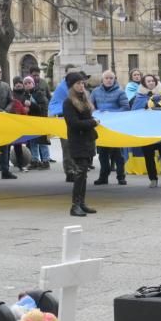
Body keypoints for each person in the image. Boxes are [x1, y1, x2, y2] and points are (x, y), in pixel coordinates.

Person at [62, 72, 99, 217]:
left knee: (83, 174)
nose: (81, 85)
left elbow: (86, 118)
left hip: (87, 140)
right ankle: (75, 205)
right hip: (78, 141)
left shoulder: (83, 99)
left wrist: (92, 121)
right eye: (78, 83)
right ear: (72, 86)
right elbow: (73, 123)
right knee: (79, 173)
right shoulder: (68, 102)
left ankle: (82, 203)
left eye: (82, 83)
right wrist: (93, 122)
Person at [131, 74, 161, 188]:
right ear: (144, 83)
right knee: (148, 156)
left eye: (153, 81)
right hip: (147, 131)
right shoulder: (139, 96)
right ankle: (153, 179)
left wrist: (155, 107)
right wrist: (147, 105)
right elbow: (135, 112)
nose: (151, 83)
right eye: (148, 81)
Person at [91, 70, 129, 185]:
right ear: (102, 80)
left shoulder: (120, 92)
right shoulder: (95, 91)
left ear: (114, 79)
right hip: (101, 127)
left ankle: (121, 176)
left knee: (118, 154)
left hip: (115, 126)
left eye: (111, 78)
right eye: (106, 78)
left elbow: (126, 107)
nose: (108, 80)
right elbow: (90, 106)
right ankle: (103, 177)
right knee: (102, 154)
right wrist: (95, 112)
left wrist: (110, 112)